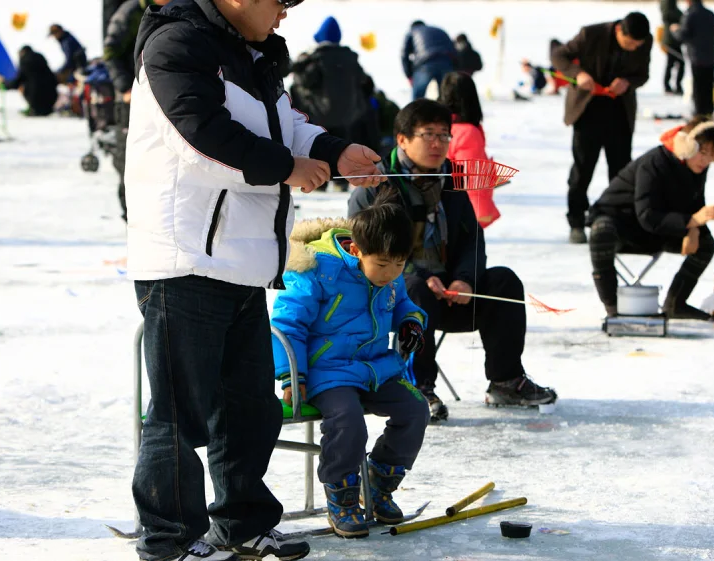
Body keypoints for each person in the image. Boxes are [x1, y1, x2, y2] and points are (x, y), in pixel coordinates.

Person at [125, 0, 385, 558]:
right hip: (185, 258)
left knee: (248, 408)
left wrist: (337, 152)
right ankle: (170, 538)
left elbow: (285, 126)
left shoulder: (252, 56)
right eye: (279, 2)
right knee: (180, 412)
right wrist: (287, 168)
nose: (285, 15)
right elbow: (200, 138)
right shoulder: (176, 45)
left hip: (241, 263)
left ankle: (242, 524)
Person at [348, 99, 557, 423]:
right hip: (392, 296)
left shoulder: (451, 184)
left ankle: (505, 380)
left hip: (450, 293)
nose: (437, 143)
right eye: (427, 134)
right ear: (402, 139)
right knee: (415, 288)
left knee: (504, 280)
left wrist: (465, 280)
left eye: (444, 136)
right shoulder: (376, 187)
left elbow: (473, 241)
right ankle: (418, 387)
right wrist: (416, 274)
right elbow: (365, 254)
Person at [271, 195, 429, 539]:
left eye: (400, 265)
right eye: (383, 264)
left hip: (375, 368)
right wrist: (291, 374)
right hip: (327, 371)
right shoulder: (317, 271)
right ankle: (341, 495)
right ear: (356, 250)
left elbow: (404, 305)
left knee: (416, 409)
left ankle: (378, 483)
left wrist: (412, 323)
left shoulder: (391, 278)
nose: (391, 274)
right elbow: (287, 324)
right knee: (348, 422)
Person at [587, 116, 714, 321]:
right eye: (702, 153)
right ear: (687, 146)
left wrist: (694, 229)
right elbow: (647, 215)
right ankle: (613, 306)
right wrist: (691, 222)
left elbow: (693, 205)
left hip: (654, 229)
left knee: (706, 245)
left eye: (711, 156)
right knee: (601, 233)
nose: (705, 161)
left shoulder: (696, 167)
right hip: (621, 224)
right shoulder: (654, 162)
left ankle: (675, 304)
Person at [551, 13, 652, 245]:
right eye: (630, 44)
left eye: (638, 45)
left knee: (622, 172)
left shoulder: (644, 41)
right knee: (583, 168)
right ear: (619, 31)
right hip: (588, 111)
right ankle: (576, 221)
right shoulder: (591, 34)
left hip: (619, 112)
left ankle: (617, 224)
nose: (635, 48)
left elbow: (642, 74)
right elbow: (559, 55)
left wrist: (628, 82)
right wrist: (579, 75)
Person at [289, 16, 378, 191]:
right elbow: (366, 83)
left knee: (322, 147)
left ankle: (320, 182)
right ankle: (341, 182)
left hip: (320, 115)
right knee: (342, 147)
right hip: (348, 115)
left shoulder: (315, 58)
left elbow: (305, 82)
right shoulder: (351, 58)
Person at [104, 0, 170, 222]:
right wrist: (124, 87)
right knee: (129, 164)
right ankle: (130, 224)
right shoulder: (131, 11)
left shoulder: (183, 6)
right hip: (131, 100)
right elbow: (110, 51)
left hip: (165, 99)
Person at [438, 72, 500, 228]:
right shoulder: (467, 133)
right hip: (461, 215)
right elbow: (471, 178)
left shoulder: (438, 127)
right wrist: (481, 212)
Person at [670, 0, 714, 117]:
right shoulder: (710, 14)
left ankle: (699, 113)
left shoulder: (690, 15)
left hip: (697, 57)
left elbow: (683, 35)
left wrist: (675, 30)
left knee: (698, 87)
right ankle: (708, 111)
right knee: (708, 86)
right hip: (710, 56)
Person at [402, 21, 456, 100]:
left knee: (417, 100)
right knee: (447, 97)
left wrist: (409, 75)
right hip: (446, 62)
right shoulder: (439, 30)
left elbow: (404, 55)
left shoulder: (413, 31)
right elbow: (453, 49)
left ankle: (417, 112)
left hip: (425, 64)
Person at [5, 46, 58, 117]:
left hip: (36, 99)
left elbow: (17, 82)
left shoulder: (25, 61)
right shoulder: (41, 60)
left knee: (23, 85)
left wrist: (4, 83)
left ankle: (34, 108)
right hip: (52, 98)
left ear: (22, 52)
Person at [660, 0, 685, 94]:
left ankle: (673, 86)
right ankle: (669, 86)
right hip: (670, 41)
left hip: (674, 40)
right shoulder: (668, 6)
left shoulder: (672, 6)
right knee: (673, 63)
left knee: (676, 63)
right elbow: (666, 15)